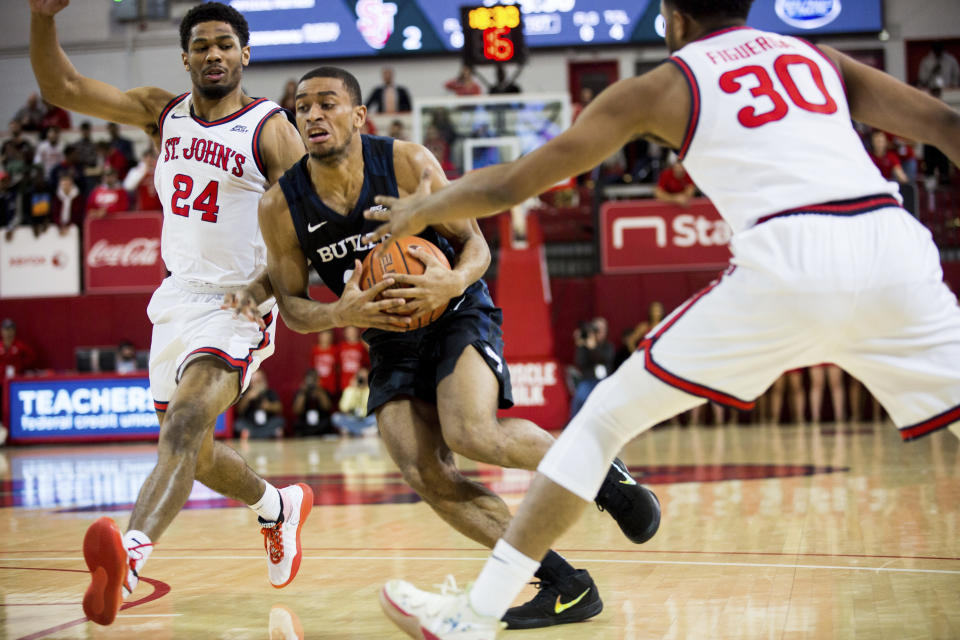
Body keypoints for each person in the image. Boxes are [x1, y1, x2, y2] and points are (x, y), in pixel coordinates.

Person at [365, 0, 960, 636]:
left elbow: (512, 184)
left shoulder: (668, 82)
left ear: (673, 15)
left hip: (790, 255)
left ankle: (476, 615)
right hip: (895, 246)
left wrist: (419, 213)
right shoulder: (818, 58)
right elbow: (946, 124)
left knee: (598, 424)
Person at [238, 65, 661, 630]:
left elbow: (476, 249)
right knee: (424, 470)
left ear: (359, 115)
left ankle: (603, 472)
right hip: (387, 336)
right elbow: (290, 305)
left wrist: (450, 282)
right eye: (303, 108)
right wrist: (339, 312)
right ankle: (565, 584)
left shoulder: (407, 163)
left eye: (328, 104)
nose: (314, 115)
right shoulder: (281, 207)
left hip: (456, 310)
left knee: (471, 432)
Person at [28, 0, 310, 626]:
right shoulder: (164, 114)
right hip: (177, 299)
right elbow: (62, 86)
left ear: (245, 54)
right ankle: (277, 507)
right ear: (184, 56)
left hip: (241, 301)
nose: (214, 54)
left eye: (225, 44)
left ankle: (129, 557)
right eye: (202, 45)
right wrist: (44, 18)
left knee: (182, 425)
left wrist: (267, 286)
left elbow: (313, 225)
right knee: (197, 453)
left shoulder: (270, 129)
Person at [235, 370, 286, 440]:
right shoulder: (246, 393)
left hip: (267, 424)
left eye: (259, 381)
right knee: (239, 424)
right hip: (251, 425)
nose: (257, 385)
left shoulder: (269, 392)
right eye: (254, 382)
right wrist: (247, 398)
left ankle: (273, 433)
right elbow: (239, 411)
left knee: (279, 421)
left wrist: (268, 406)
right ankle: (249, 434)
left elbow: (279, 408)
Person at [331, 367, 378, 437]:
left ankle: (352, 430)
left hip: (366, 419)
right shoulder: (349, 390)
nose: (362, 380)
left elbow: (371, 407)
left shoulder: (371, 390)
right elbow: (343, 408)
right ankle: (363, 431)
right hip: (352, 418)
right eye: (361, 378)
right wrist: (354, 390)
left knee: (376, 418)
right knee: (335, 417)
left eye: (365, 378)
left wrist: (367, 388)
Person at [291, 368, 334, 437]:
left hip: (321, 423)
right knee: (297, 424)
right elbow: (297, 411)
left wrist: (319, 392)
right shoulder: (300, 393)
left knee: (328, 422)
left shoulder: (323, 391)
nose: (312, 383)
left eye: (314, 380)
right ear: (305, 381)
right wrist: (303, 393)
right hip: (305, 424)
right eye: (309, 380)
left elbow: (327, 407)